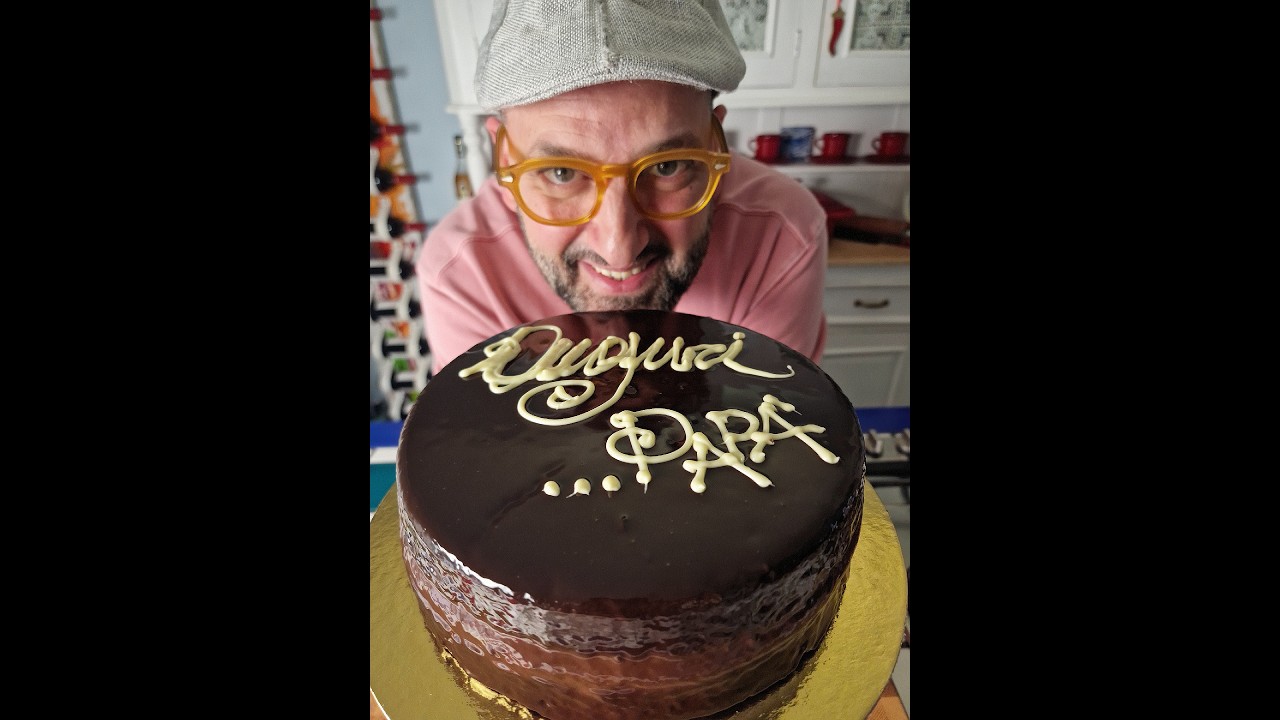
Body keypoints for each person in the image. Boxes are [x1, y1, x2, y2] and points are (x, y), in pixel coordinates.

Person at [417, 0, 830, 377]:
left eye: (667, 167)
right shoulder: (461, 275)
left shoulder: (783, 234)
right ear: (505, 161)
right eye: (561, 172)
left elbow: (773, 433)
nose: (619, 248)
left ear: (713, 143)